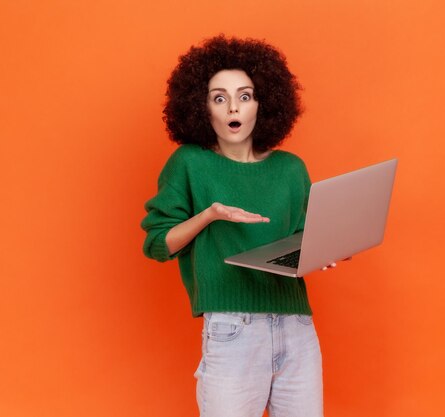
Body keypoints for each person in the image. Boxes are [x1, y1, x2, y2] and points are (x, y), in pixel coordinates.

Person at [141, 35, 325, 417]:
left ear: (263, 103)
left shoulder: (292, 168)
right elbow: (159, 243)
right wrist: (210, 214)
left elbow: (307, 236)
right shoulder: (190, 163)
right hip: (232, 329)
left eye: (245, 95)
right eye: (219, 98)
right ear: (202, 107)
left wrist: (324, 251)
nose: (232, 108)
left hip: (297, 327)